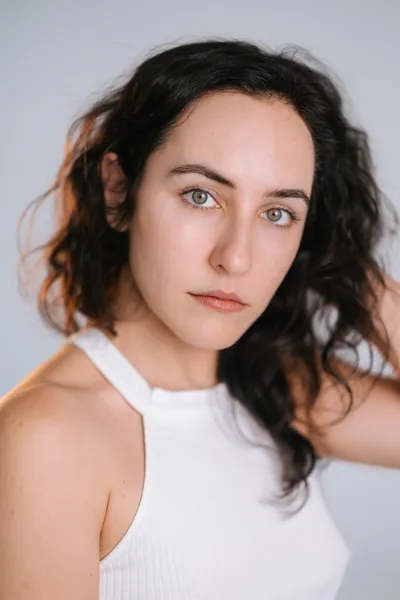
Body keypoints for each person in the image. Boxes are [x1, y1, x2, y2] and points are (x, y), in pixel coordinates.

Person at [1, 38, 400, 600]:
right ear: (118, 190)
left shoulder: (274, 387)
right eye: (200, 196)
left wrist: (343, 259)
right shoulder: (45, 438)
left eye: (277, 213)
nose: (236, 258)